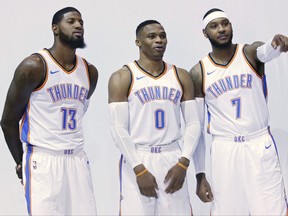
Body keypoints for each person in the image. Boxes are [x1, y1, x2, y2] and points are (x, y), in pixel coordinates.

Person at [190, 8, 288, 215]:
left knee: (272, 209)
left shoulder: (250, 53)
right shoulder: (199, 72)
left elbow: (267, 51)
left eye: (225, 23)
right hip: (224, 149)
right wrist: (200, 174)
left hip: (258, 143)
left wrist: (276, 44)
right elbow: (196, 127)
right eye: (214, 26)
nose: (221, 29)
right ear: (205, 33)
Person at [108, 20, 212, 215]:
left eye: (162, 36)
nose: (159, 40)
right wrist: (138, 169)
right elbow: (117, 129)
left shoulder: (180, 75)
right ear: (138, 42)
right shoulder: (123, 77)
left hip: (172, 156)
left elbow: (194, 123)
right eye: (152, 36)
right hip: (138, 156)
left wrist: (183, 162)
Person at [1, 7, 98, 215]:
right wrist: (20, 161)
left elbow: (79, 112)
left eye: (81, 22)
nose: (78, 25)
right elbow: (8, 121)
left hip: (77, 160)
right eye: (71, 21)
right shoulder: (34, 66)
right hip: (43, 161)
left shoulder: (90, 72)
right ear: (55, 28)